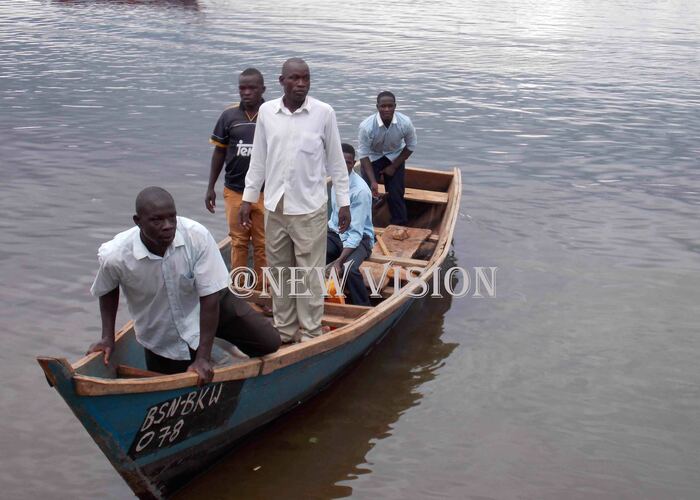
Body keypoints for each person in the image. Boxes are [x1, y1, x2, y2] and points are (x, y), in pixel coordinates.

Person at [87, 187, 280, 384]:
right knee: (171, 383)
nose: (168, 226)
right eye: (157, 220)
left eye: (172, 218)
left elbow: (209, 298)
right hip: (162, 330)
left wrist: (203, 358)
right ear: (138, 222)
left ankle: (213, 341)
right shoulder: (116, 255)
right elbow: (107, 288)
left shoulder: (196, 237)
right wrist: (107, 338)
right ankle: (204, 347)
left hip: (214, 307)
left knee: (269, 342)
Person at [239, 57, 351, 342]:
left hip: (309, 208)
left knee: (309, 275)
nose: (301, 84)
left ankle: (311, 333)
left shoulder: (323, 113)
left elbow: (337, 162)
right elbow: (259, 159)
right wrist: (248, 198)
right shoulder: (267, 112)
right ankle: (286, 332)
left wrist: (344, 202)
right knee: (280, 273)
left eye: (306, 79)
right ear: (282, 81)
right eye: (294, 78)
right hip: (275, 206)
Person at [205, 68, 267, 287]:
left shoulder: (271, 114)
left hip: (265, 192)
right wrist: (210, 186)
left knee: (263, 243)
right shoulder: (229, 116)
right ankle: (239, 288)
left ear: (263, 90)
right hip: (235, 191)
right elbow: (219, 151)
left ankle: (261, 291)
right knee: (239, 241)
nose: (247, 92)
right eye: (242, 88)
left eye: (252, 88)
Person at [358, 91, 417, 226]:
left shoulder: (405, 123)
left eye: (390, 106)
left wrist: (393, 167)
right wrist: (373, 181)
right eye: (383, 106)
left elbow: (411, 146)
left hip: (395, 157)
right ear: (377, 107)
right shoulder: (366, 127)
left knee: (396, 194)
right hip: (373, 159)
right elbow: (363, 155)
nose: (386, 109)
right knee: (365, 193)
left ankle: (399, 224)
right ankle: (364, 223)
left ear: (395, 106)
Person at [326, 143, 374, 306]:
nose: (343, 165)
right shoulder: (335, 182)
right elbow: (333, 219)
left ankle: (363, 307)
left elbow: (355, 234)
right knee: (313, 257)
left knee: (349, 269)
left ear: (353, 163)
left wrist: (339, 262)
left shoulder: (360, 191)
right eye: (340, 161)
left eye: (348, 162)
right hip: (336, 234)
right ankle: (314, 301)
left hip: (361, 240)